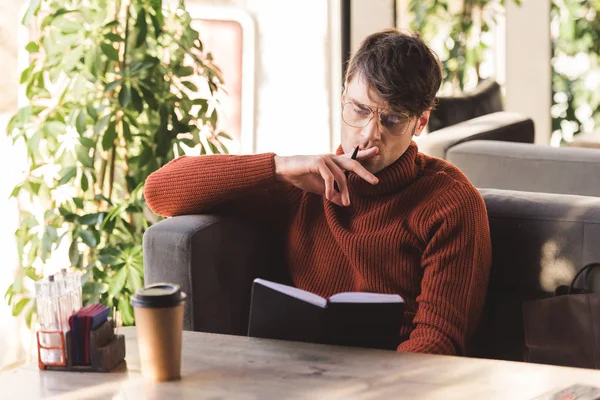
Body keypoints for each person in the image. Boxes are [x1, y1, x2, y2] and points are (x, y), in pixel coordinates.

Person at [144, 29, 492, 356]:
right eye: (360, 110)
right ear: (343, 98)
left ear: (421, 122)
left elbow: (438, 343)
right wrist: (278, 168)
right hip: (293, 373)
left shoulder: (450, 203)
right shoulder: (303, 184)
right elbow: (160, 192)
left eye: (392, 119)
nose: (369, 134)